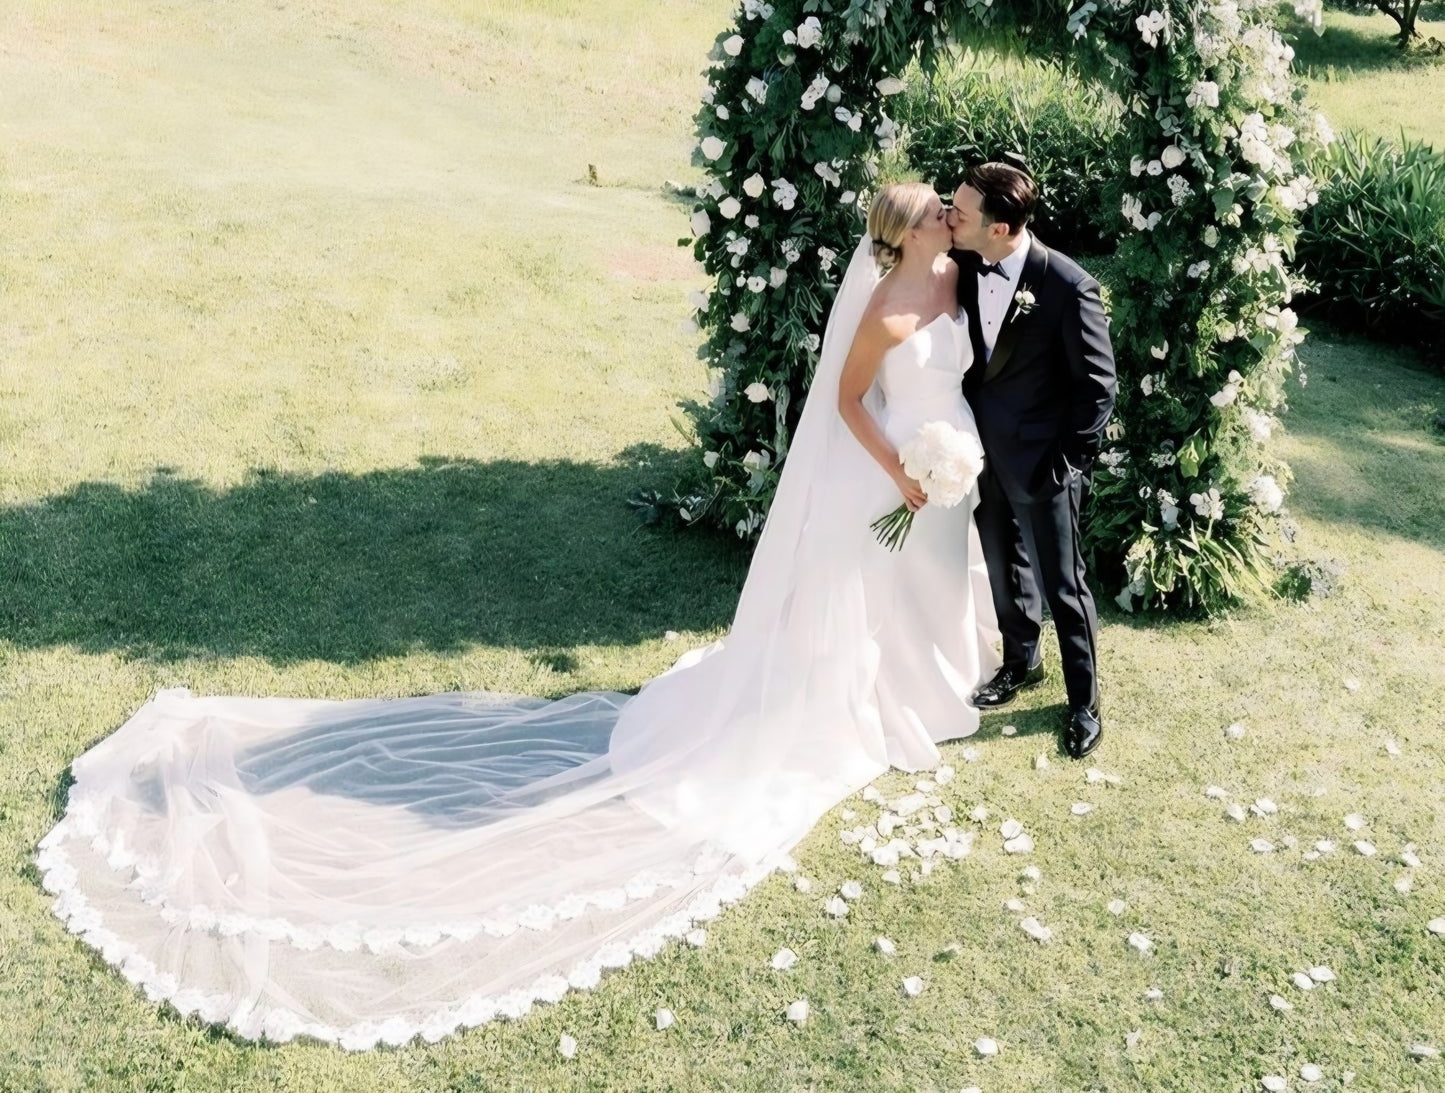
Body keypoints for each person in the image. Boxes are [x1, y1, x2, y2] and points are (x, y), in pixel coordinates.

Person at [36, 185, 997, 1049]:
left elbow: (964, 346)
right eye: (929, 215)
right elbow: (843, 400)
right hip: (895, 475)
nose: (943, 222)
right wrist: (899, 471)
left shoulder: (955, 278)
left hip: (937, 469)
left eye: (944, 214)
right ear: (899, 234)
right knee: (852, 599)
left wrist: (946, 449)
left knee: (900, 599)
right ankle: (852, 702)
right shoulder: (878, 306)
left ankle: (920, 679)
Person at [947, 161, 1117, 760]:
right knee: (1002, 567)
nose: (950, 216)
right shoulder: (964, 264)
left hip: (1045, 465)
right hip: (980, 457)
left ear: (1000, 229)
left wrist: (1066, 463)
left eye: (961, 212)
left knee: (1063, 588)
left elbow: (1098, 388)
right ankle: (1019, 661)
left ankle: (1084, 703)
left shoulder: (1069, 287)